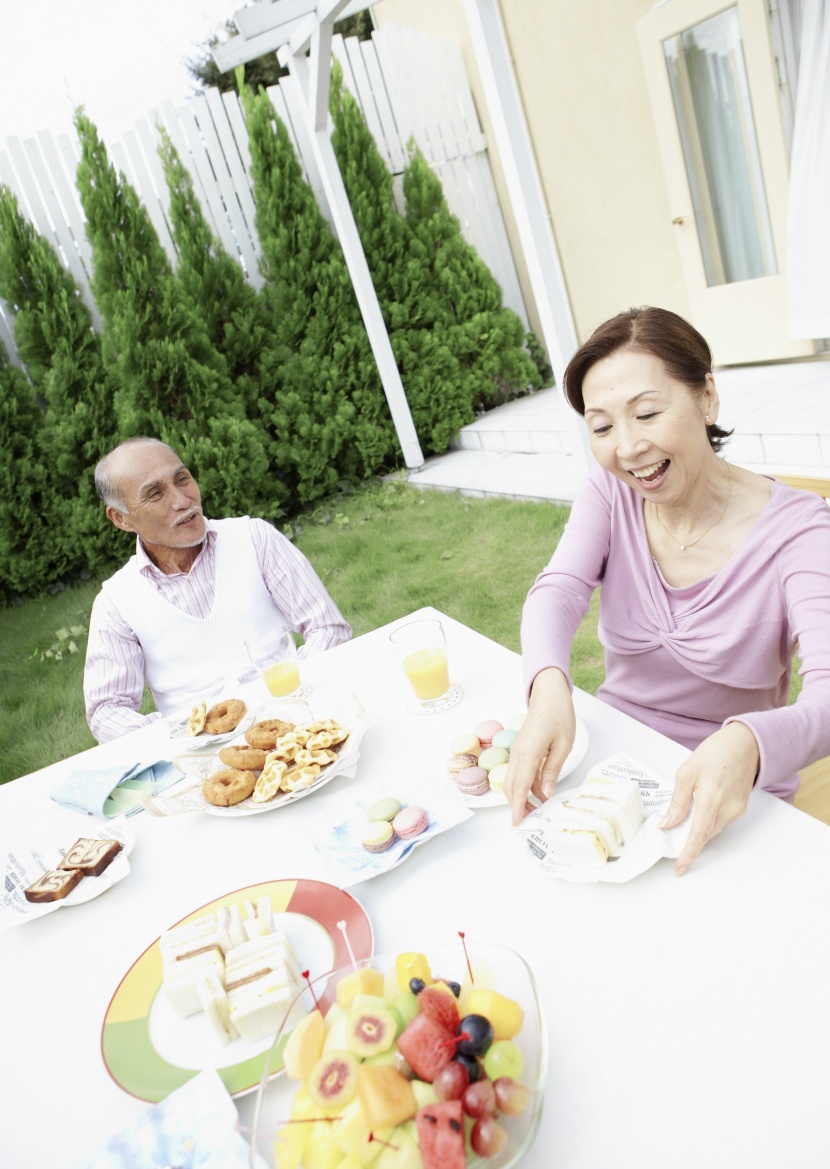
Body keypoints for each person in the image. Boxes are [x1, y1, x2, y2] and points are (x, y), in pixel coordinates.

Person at [504, 307, 830, 873]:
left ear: (707, 398)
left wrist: (750, 743)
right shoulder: (610, 495)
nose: (627, 448)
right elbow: (557, 591)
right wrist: (550, 686)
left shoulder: (801, 531)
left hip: (731, 791)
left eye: (647, 413)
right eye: (602, 427)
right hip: (613, 763)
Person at [84, 437, 352, 742]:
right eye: (155, 494)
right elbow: (107, 711)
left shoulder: (254, 538)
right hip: (201, 753)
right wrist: (181, 733)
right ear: (120, 518)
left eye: (182, 479)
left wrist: (291, 692)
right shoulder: (116, 602)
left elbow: (328, 627)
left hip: (296, 721)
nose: (182, 500)